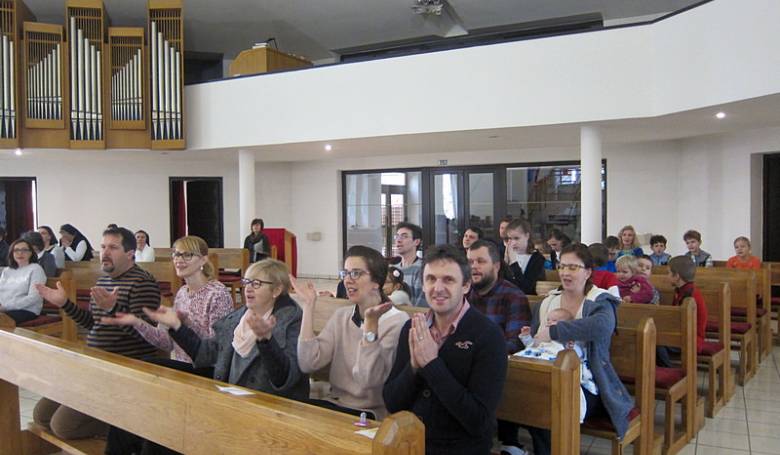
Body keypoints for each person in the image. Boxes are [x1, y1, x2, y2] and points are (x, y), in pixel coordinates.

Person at [108, 259, 308, 455]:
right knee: (148, 383)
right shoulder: (239, 318)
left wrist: (266, 340)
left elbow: (284, 378)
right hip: (227, 395)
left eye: (256, 284)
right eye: (246, 282)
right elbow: (205, 355)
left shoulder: (291, 321)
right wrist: (176, 326)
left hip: (263, 407)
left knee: (171, 422)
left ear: (276, 290)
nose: (248, 289)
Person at [34, 227, 160, 440]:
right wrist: (65, 304)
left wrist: (113, 309)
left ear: (130, 253)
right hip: (94, 363)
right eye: (102, 247)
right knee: (41, 416)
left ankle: (128, 431)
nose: (105, 252)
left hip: (121, 368)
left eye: (113, 247)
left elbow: (147, 336)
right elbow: (93, 325)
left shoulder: (142, 282)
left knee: (63, 426)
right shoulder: (103, 281)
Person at [384, 244, 508, 455]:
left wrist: (432, 364)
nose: (438, 288)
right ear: (423, 285)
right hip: (412, 444)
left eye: (448, 280)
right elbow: (392, 402)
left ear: (466, 285)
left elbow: (478, 421)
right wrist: (413, 366)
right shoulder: (413, 329)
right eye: (431, 279)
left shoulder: (488, 336)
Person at [527, 244, 633, 455]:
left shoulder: (599, 300)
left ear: (588, 272)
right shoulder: (549, 301)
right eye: (562, 266)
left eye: (573, 267)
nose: (565, 272)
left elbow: (602, 326)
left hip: (591, 381)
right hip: (550, 374)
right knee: (528, 400)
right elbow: (534, 335)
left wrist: (556, 331)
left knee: (548, 407)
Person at [296, 245, 409, 419]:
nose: (347, 280)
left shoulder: (397, 321)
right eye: (345, 273)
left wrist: (370, 327)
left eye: (356, 273)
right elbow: (308, 363)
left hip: (369, 414)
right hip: (335, 404)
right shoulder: (342, 316)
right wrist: (308, 306)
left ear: (376, 281)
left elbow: (368, 381)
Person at [100, 236, 234, 369]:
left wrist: (186, 325)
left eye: (187, 255)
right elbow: (168, 344)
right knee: (141, 363)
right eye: (176, 254)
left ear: (203, 260)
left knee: (150, 367)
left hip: (207, 368)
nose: (179, 260)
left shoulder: (217, 294)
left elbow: (215, 350)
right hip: (185, 364)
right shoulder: (182, 293)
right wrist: (136, 322)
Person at [466, 239, 531, 455]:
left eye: (480, 261)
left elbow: (515, 343)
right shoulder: (463, 294)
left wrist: (474, 354)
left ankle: (509, 442)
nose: (473, 266)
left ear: (496, 266)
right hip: (464, 366)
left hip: (498, 370)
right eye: (470, 261)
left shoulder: (513, 296)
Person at [517, 308, 593, 424]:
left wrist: (570, 348)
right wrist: (526, 337)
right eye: (548, 320)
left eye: (554, 320)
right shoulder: (544, 336)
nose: (549, 322)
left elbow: (577, 356)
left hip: (557, 365)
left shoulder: (569, 340)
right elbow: (532, 347)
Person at [658, 256, 708, 367]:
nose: (667, 276)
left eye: (669, 273)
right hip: (682, 333)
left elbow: (684, 323)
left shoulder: (689, 295)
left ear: (677, 276)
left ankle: (671, 374)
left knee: (656, 342)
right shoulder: (682, 290)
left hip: (691, 338)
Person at [0, 239, 47, 323]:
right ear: (11, 253)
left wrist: (5, 307)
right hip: (4, 309)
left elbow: (34, 298)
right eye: (16, 250)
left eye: (24, 250)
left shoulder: (36, 269)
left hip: (26, 310)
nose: (20, 253)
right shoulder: (7, 270)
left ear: (31, 253)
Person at [503, 219, 545, 295]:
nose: (513, 243)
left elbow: (526, 289)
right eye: (510, 238)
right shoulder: (506, 255)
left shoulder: (537, 259)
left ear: (527, 236)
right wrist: (504, 264)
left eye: (516, 238)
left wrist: (513, 263)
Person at [394, 222, 426, 307]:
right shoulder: (392, 269)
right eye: (397, 236)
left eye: (404, 236)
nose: (398, 240)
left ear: (416, 242)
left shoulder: (422, 269)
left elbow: (421, 307)